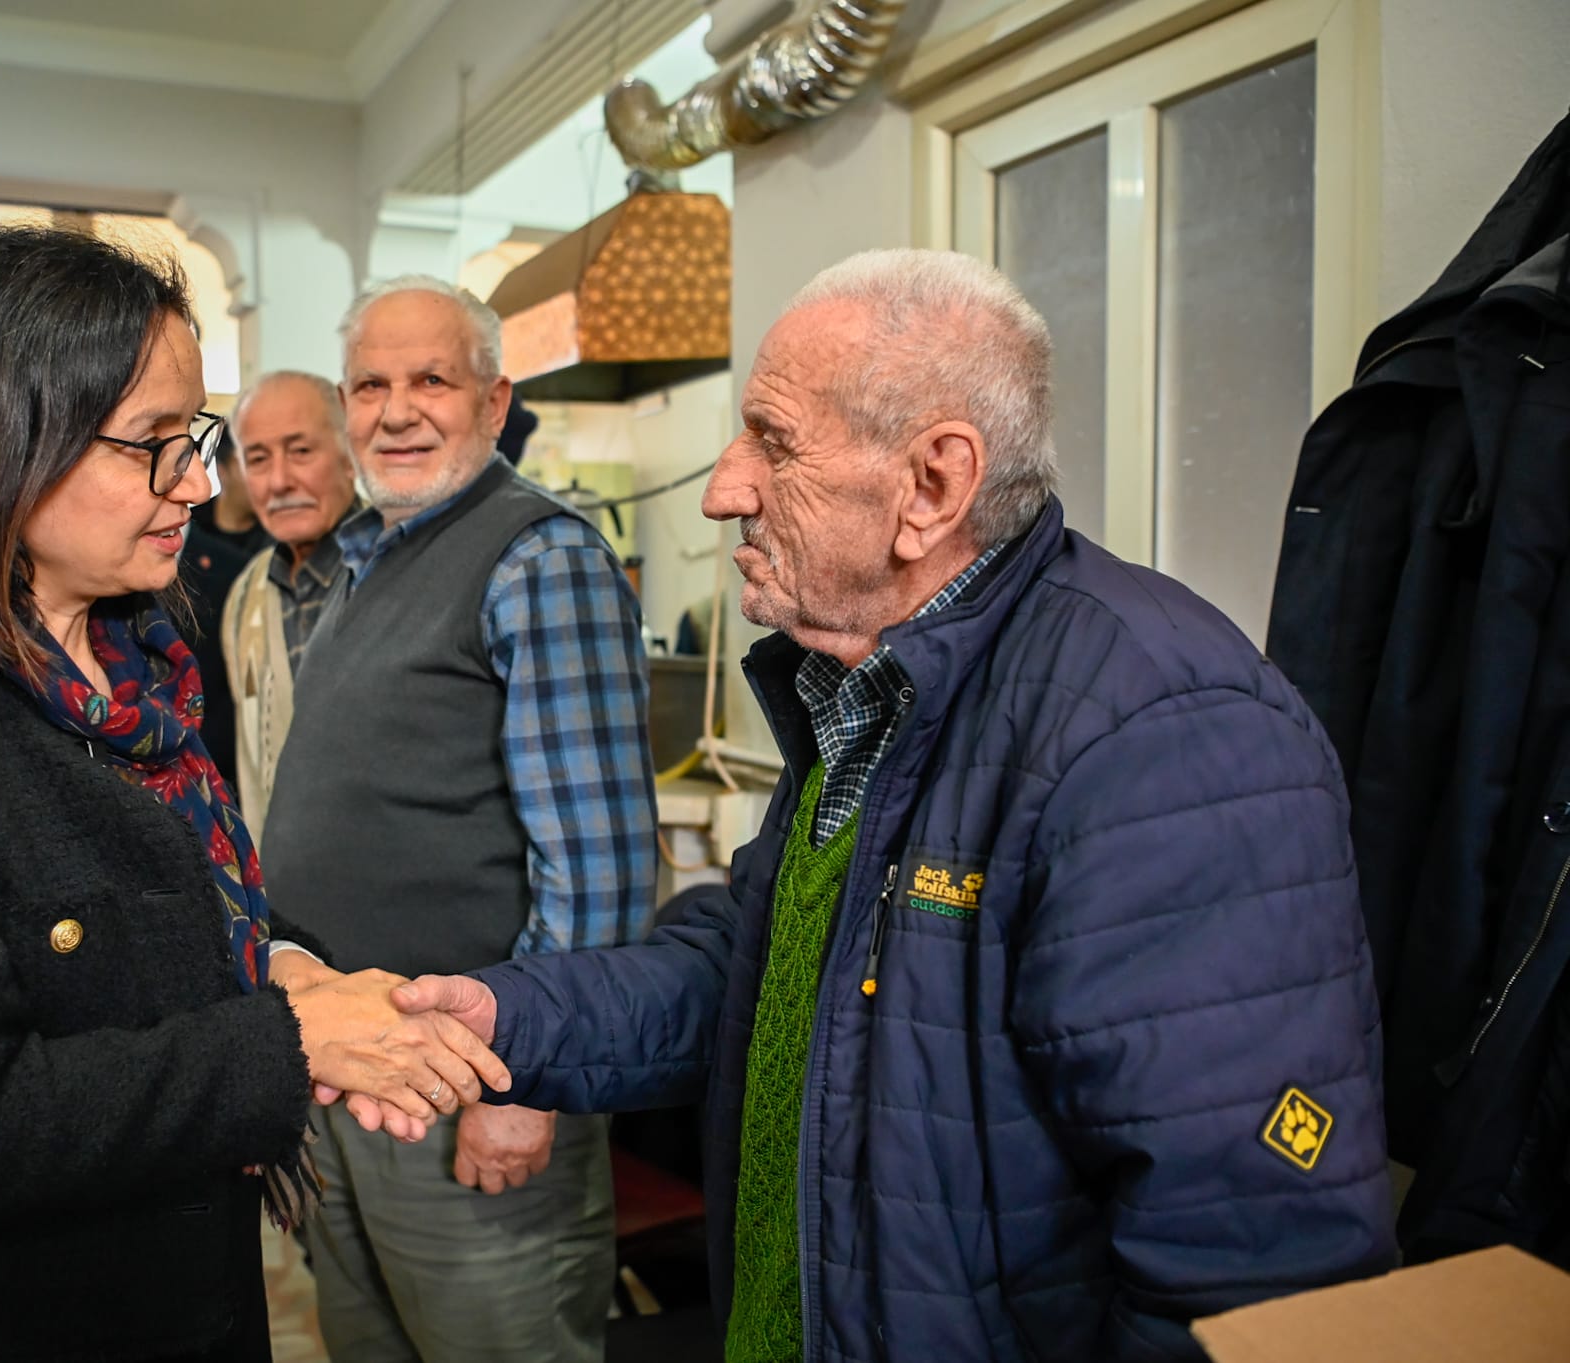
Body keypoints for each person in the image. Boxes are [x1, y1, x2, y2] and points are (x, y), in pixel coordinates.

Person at [389, 250, 1397, 1361]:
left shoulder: (1164, 734)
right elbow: (763, 967)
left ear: (932, 487)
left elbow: (1246, 1264)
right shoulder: (865, 681)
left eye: (772, 443)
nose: (723, 490)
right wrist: (509, 1017)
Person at [0, 225, 508, 1363]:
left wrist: (282, 962)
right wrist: (285, 1039)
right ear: (0, 441)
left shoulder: (137, 655)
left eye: (193, 438)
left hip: (185, 1274)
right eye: (153, 443)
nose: (198, 482)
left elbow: (154, 919)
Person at [262, 276, 658, 1363]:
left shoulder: (541, 558)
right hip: (349, 1074)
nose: (396, 412)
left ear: (493, 401)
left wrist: (533, 1082)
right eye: (369, 385)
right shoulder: (363, 560)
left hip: (470, 1084)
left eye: (431, 380)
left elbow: (599, 865)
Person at [219, 370, 360, 845]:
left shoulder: (404, 572)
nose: (279, 481)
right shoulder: (246, 594)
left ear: (350, 453)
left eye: (300, 451)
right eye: (258, 459)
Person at [173, 426, 271, 805]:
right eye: (256, 463)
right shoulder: (177, 535)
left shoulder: (270, 557)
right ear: (226, 470)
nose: (271, 479)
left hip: (221, 765)